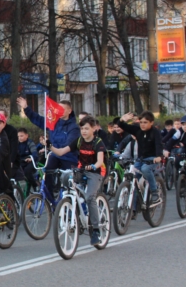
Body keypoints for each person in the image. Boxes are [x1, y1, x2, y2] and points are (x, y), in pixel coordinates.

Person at [49, 116, 107, 244]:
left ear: (93, 129)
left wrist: (92, 166)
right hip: (80, 171)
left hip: (95, 172)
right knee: (66, 183)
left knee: (90, 197)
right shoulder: (79, 140)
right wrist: (50, 146)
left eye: (86, 128)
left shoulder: (98, 143)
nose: (84, 131)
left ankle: (96, 230)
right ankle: (75, 215)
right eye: (82, 128)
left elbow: (100, 162)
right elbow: (60, 152)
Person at [17, 96, 80, 202]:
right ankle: (50, 201)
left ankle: (74, 203)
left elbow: (68, 144)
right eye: (58, 109)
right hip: (55, 155)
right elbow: (38, 119)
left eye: (62, 109)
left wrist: (51, 146)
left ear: (69, 111)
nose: (59, 111)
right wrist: (26, 108)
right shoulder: (53, 122)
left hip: (68, 157)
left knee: (68, 184)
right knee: (47, 173)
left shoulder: (74, 128)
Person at [118, 112, 164, 206]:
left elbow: (159, 144)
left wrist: (159, 156)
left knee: (145, 169)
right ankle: (133, 207)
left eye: (145, 122)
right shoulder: (137, 130)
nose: (142, 124)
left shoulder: (155, 132)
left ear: (151, 123)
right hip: (140, 158)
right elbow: (122, 126)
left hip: (152, 158)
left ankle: (154, 192)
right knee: (133, 177)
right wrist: (122, 119)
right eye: (141, 122)